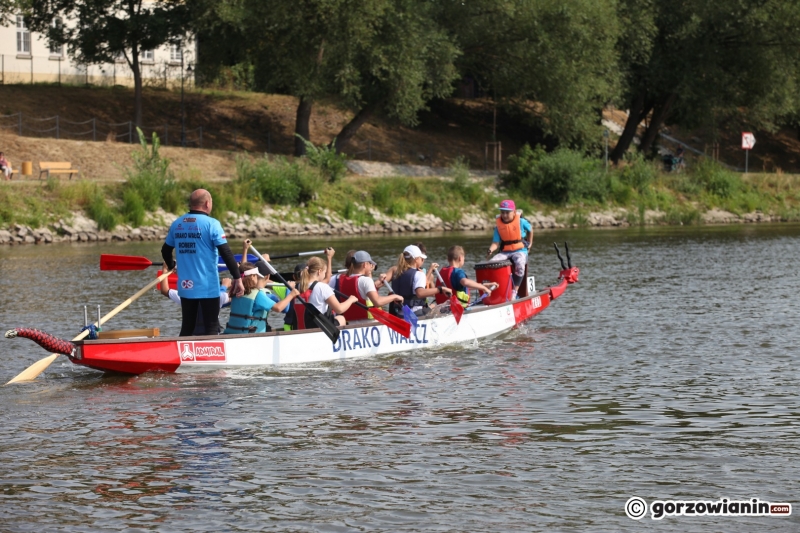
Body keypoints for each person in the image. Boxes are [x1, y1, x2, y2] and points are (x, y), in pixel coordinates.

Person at [161, 189, 244, 337]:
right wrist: (237, 278)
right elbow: (226, 253)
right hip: (207, 286)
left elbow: (165, 251)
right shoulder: (212, 224)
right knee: (211, 327)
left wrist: (172, 265)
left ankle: (184, 356)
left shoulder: (177, 223)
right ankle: (212, 358)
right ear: (207, 203)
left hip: (186, 285)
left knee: (187, 327)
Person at [223, 262, 299, 334]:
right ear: (252, 277)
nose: (257, 278)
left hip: (232, 334)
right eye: (256, 276)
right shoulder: (257, 294)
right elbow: (279, 308)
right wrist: (291, 294)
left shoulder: (235, 291)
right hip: (251, 336)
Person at [336, 251, 403, 323]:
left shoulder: (342, 280)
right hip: (369, 324)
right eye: (370, 263)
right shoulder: (366, 280)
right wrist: (395, 297)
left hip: (350, 324)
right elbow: (377, 302)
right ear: (365, 264)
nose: (371, 266)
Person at [486, 199, 533, 298]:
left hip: (520, 250)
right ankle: (496, 290)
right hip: (505, 252)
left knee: (520, 264)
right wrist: (490, 250)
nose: (505, 215)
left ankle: (514, 291)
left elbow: (530, 230)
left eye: (507, 212)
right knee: (491, 263)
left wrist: (530, 243)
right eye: (502, 212)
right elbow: (495, 243)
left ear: (514, 212)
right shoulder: (498, 226)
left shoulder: (521, 221)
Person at [158, 273, 232, 335]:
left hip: (193, 337)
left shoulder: (185, 297)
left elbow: (164, 290)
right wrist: (225, 285)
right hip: (212, 337)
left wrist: (165, 270)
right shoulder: (218, 297)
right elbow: (237, 294)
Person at [294, 256, 358, 328]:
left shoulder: (298, 286)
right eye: (325, 272)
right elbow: (339, 309)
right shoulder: (322, 287)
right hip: (320, 329)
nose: (325, 275)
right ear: (319, 271)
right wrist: (351, 300)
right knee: (341, 318)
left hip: (303, 327)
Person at [389, 244, 451, 317]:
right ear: (416, 259)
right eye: (421, 258)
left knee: (433, 305)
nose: (423, 260)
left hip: (398, 314)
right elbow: (420, 293)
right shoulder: (418, 274)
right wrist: (441, 289)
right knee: (439, 306)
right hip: (415, 314)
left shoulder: (397, 272)